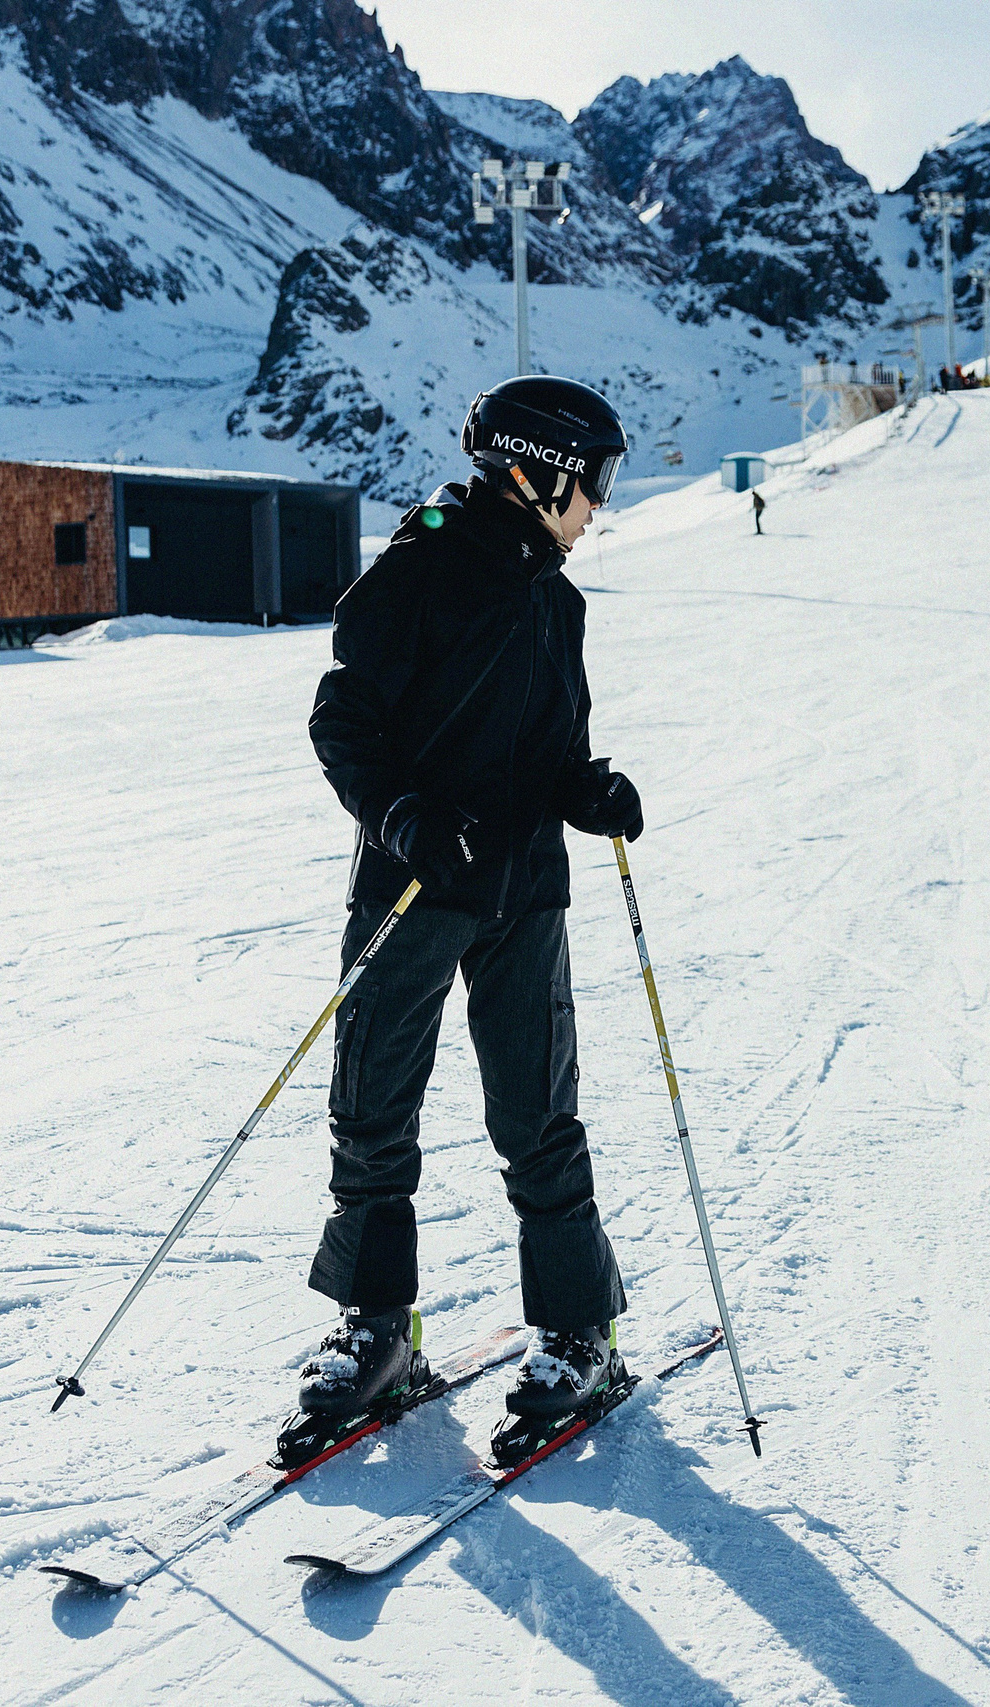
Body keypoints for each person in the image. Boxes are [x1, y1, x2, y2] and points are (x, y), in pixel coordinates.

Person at [299, 375, 644, 1455]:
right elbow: (341, 719)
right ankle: (377, 1328)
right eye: (592, 482)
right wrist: (402, 814)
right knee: (372, 1110)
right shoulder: (418, 571)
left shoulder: (557, 598)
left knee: (537, 1117)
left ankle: (578, 1332)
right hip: (410, 889)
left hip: (521, 893)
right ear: (538, 472)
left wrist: (585, 791)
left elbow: (550, 747)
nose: (598, 505)